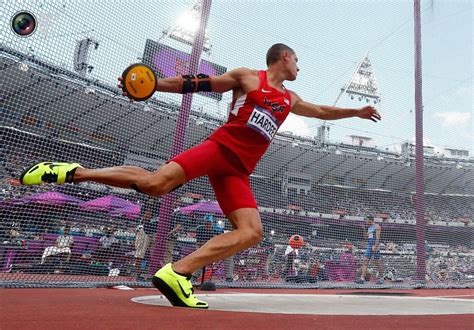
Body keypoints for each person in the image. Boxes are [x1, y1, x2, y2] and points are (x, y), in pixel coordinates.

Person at [19, 43, 381, 308]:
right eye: (297, 59)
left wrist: (356, 112)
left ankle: (178, 272)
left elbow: (321, 110)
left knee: (251, 232)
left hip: (238, 171)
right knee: (156, 184)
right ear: (283, 58)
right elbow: (198, 83)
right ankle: (72, 172)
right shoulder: (247, 78)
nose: (299, 66)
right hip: (219, 148)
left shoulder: (290, 98)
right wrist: (153, 84)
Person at [356, 216, 384, 284]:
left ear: (370, 220)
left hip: (375, 245)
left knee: (377, 262)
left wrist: (376, 246)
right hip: (369, 245)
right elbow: (366, 238)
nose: (366, 221)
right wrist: (364, 229)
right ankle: (362, 278)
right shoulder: (369, 228)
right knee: (365, 261)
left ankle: (381, 277)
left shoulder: (377, 226)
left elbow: (378, 238)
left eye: (367, 220)